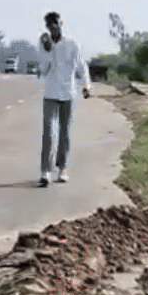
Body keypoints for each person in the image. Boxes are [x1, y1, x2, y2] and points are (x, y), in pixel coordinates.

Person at [37, 11, 91, 187]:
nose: (53, 27)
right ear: (47, 27)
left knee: (64, 133)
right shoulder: (44, 44)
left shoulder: (72, 44)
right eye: (50, 24)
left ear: (61, 24)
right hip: (51, 92)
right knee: (48, 132)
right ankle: (45, 171)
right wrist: (47, 51)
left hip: (68, 93)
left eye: (56, 23)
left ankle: (62, 169)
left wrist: (86, 86)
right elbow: (43, 69)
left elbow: (81, 66)